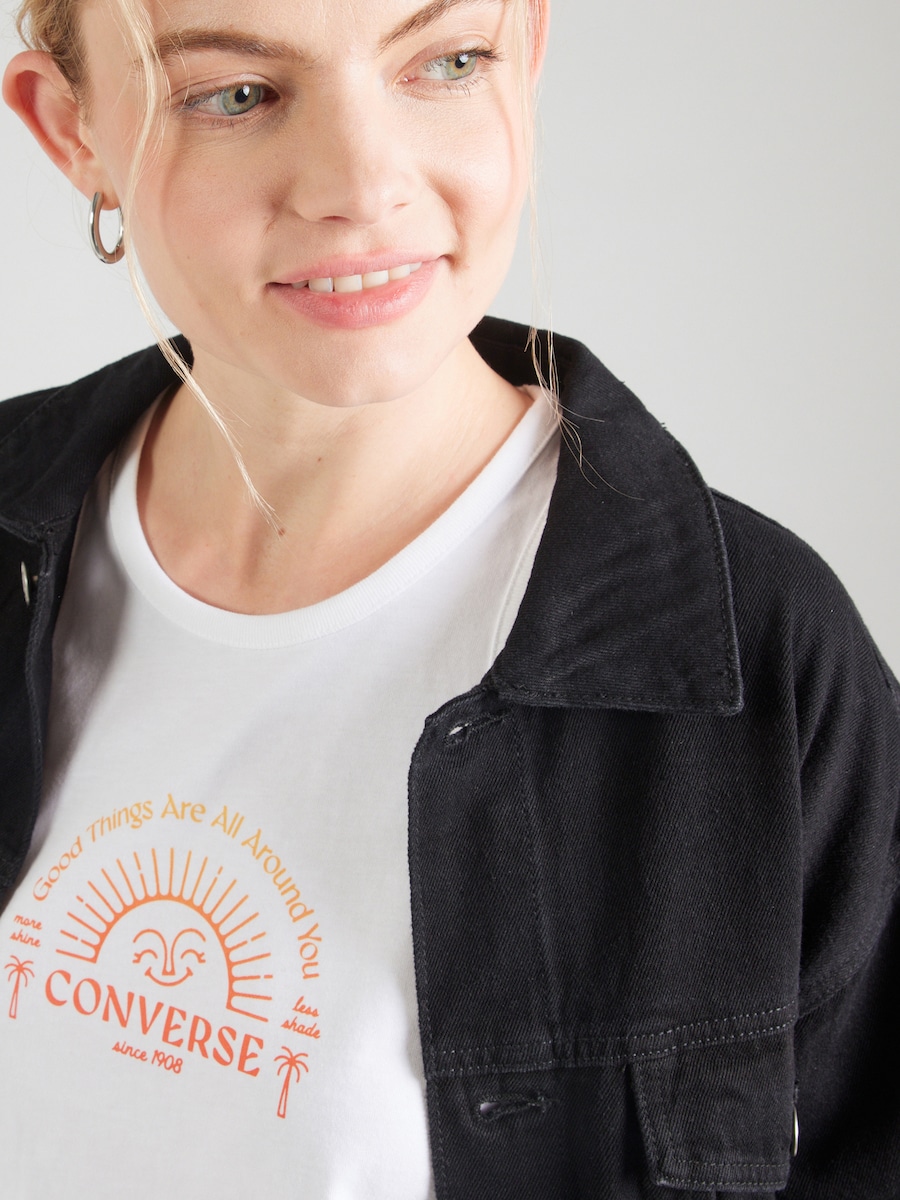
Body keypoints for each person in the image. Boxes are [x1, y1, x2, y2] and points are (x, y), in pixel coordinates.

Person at [0, 0, 897, 1196]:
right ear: (72, 129)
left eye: (448, 62)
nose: (363, 186)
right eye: (237, 95)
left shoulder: (764, 662)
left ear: (527, 54)